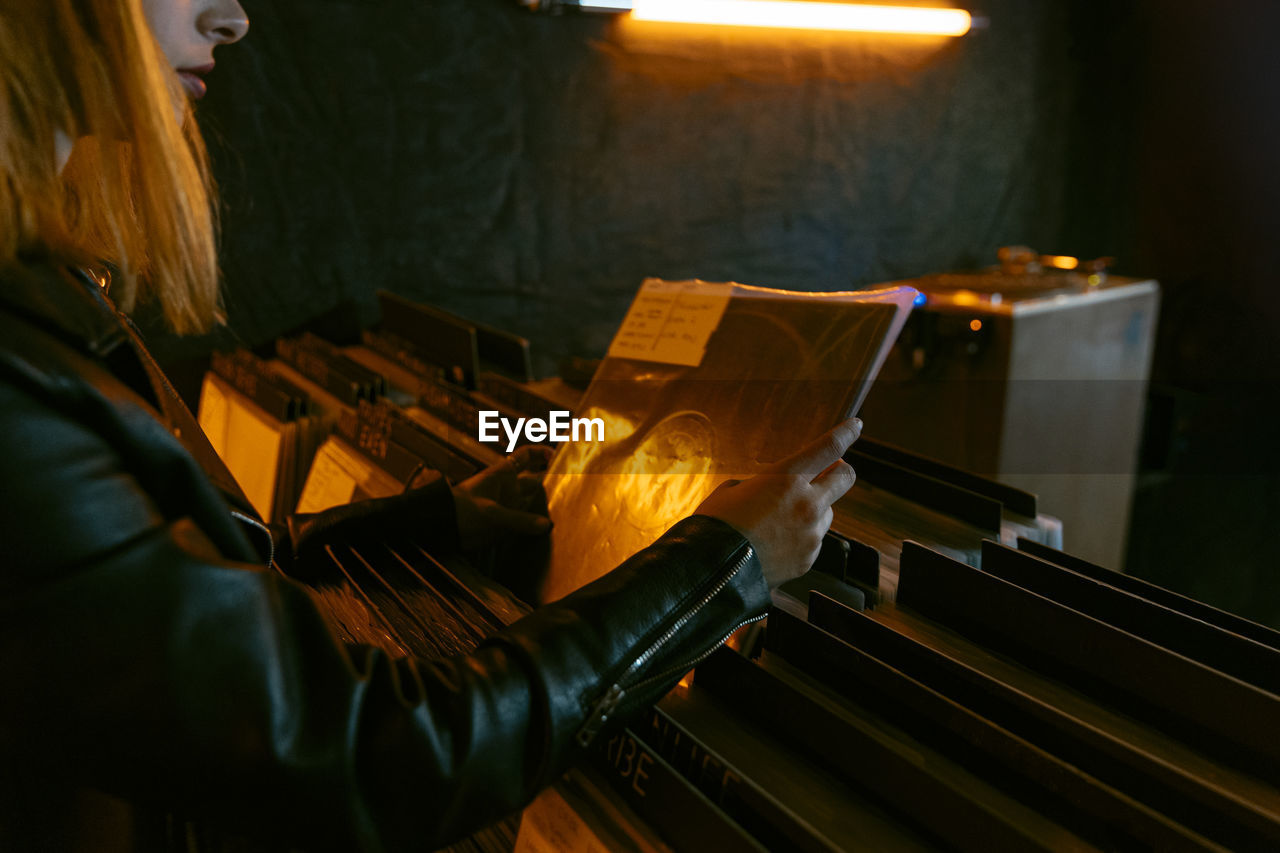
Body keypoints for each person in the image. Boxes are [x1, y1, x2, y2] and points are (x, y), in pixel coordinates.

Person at [0, 1, 863, 851]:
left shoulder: (47, 297)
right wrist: (723, 562)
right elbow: (378, 759)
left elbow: (171, 595)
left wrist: (431, 521)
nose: (234, 17)